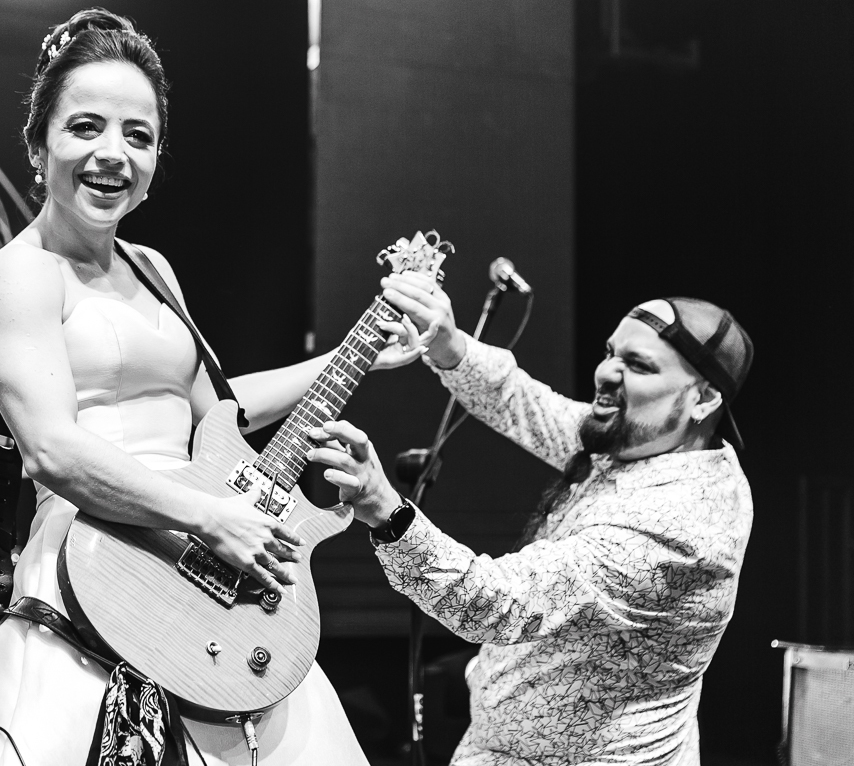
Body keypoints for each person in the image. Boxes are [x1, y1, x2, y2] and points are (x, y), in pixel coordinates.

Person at [0, 8, 422, 766]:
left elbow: (220, 415)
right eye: (86, 128)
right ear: (38, 147)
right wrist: (209, 517)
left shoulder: (153, 269)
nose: (113, 154)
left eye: (138, 136)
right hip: (94, 565)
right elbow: (51, 449)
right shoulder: (21, 272)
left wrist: (353, 357)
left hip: (207, 565)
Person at [308, 276, 754, 766]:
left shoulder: (679, 528)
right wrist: (449, 343)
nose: (606, 372)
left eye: (639, 366)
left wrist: (384, 509)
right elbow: (526, 407)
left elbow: (492, 602)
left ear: (704, 400)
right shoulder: (646, 440)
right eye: (611, 352)